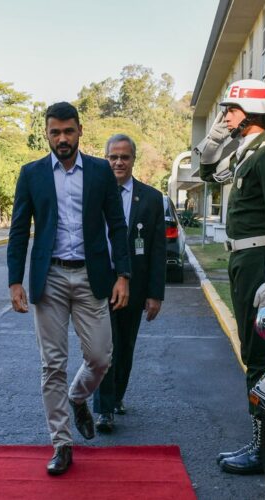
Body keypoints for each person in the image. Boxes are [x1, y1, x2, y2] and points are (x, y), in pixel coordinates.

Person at [7, 102, 131, 475]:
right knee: (53, 364)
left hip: (93, 276)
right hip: (51, 278)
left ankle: (78, 398)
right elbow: (17, 231)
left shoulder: (98, 171)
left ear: (80, 130)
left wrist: (123, 275)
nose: (62, 138)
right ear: (46, 133)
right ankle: (61, 442)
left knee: (100, 357)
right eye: (55, 132)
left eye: (68, 131)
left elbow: (117, 225)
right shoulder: (31, 174)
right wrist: (15, 281)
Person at [197, 79, 265, 474]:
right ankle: (262, 442)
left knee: (259, 357)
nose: (225, 116)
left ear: (251, 111)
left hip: (260, 261)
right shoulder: (246, 154)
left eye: (231, 110)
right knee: (251, 352)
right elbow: (208, 174)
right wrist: (213, 141)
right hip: (243, 261)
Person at [93, 134, 167, 433]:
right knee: (104, 347)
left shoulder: (150, 198)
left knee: (126, 346)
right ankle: (104, 408)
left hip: (134, 285)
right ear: (106, 158)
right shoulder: (94, 193)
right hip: (101, 282)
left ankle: (117, 396)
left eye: (124, 157)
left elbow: (157, 249)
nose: (118, 162)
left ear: (133, 160)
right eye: (113, 157)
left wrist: (155, 294)